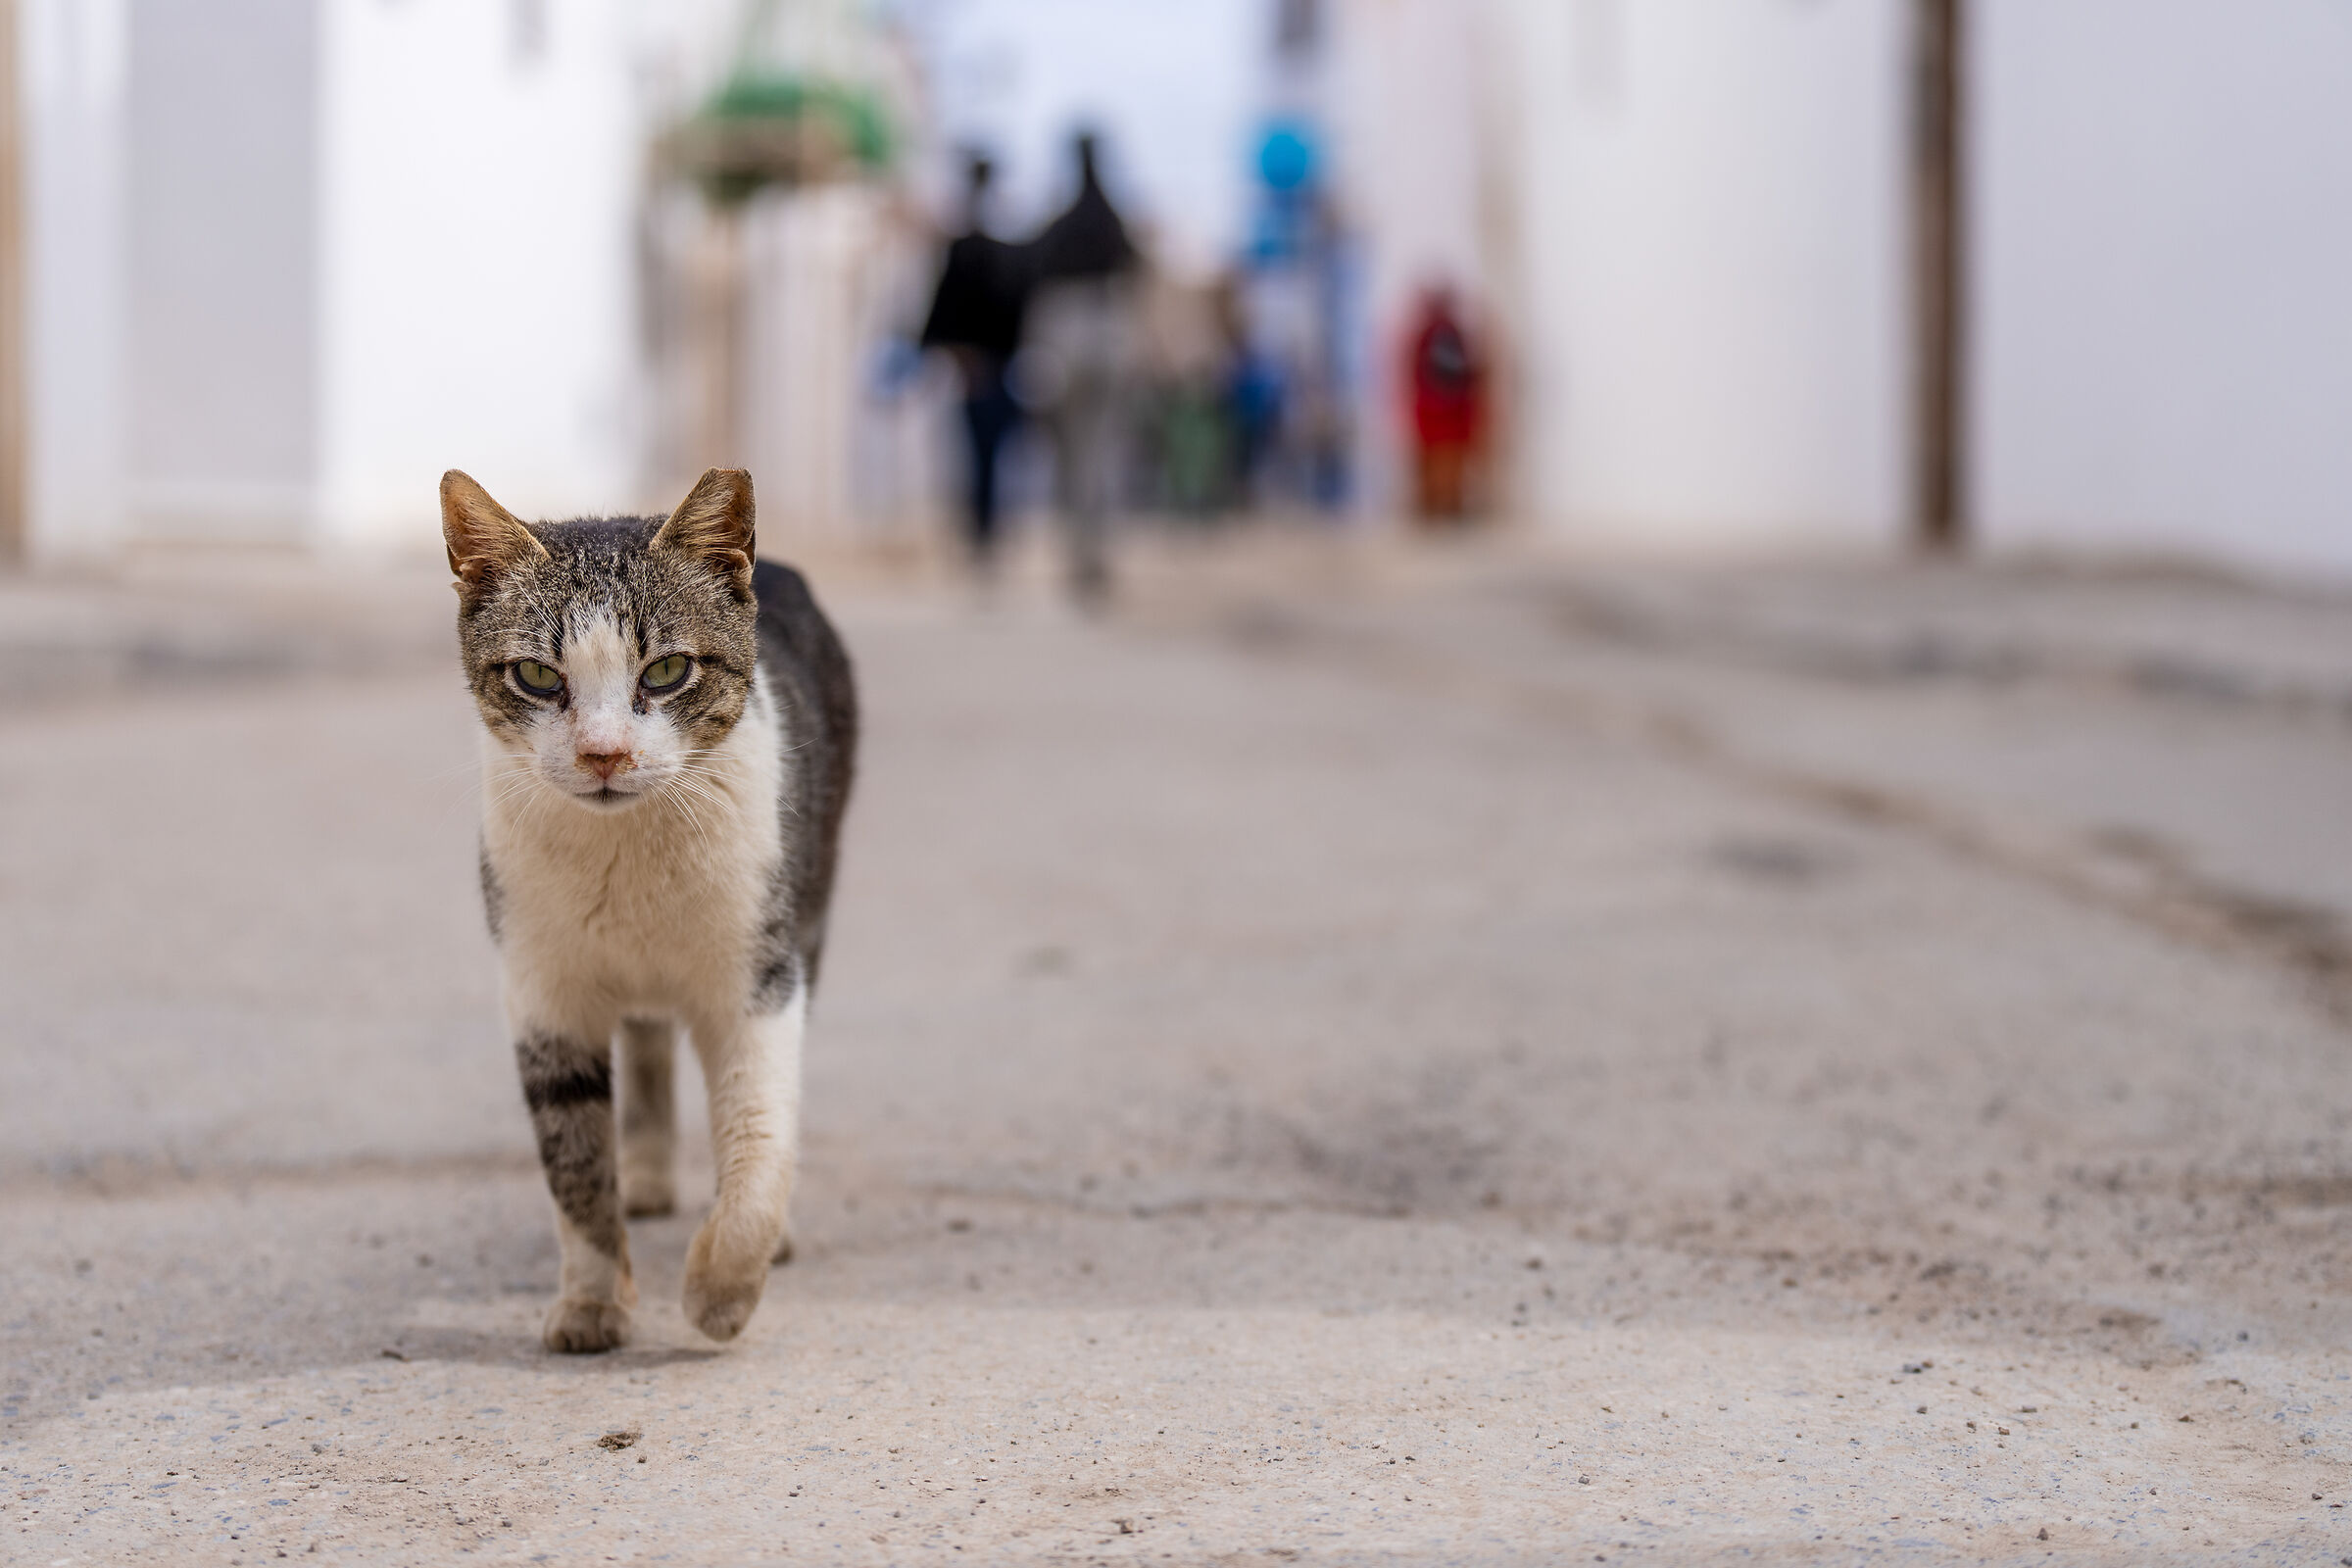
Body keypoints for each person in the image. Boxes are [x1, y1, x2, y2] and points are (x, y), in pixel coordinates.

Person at [1023, 132, 1140, 607]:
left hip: (1063, 334)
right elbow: (1133, 270)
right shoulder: (1113, 219)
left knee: (1070, 450)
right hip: (1109, 330)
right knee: (1103, 448)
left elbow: (1032, 272)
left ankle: (1078, 551)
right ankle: (1097, 551)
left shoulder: (1060, 223)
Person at [919, 154, 1031, 572]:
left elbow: (947, 305)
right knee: (989, 452)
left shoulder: (970, 245)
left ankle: (984, 531)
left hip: (981, 365)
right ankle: (985, 531)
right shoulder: (1001, 243)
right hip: (989, 364)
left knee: (982, 452)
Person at [1404, 284, 1486, 523]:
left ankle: (1449, 505)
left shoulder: (1443, 334)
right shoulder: (1435, 334)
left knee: (1449, 464)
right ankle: (1438, 506)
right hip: (1438, 416)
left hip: (1447, 416)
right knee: (1438, 464)